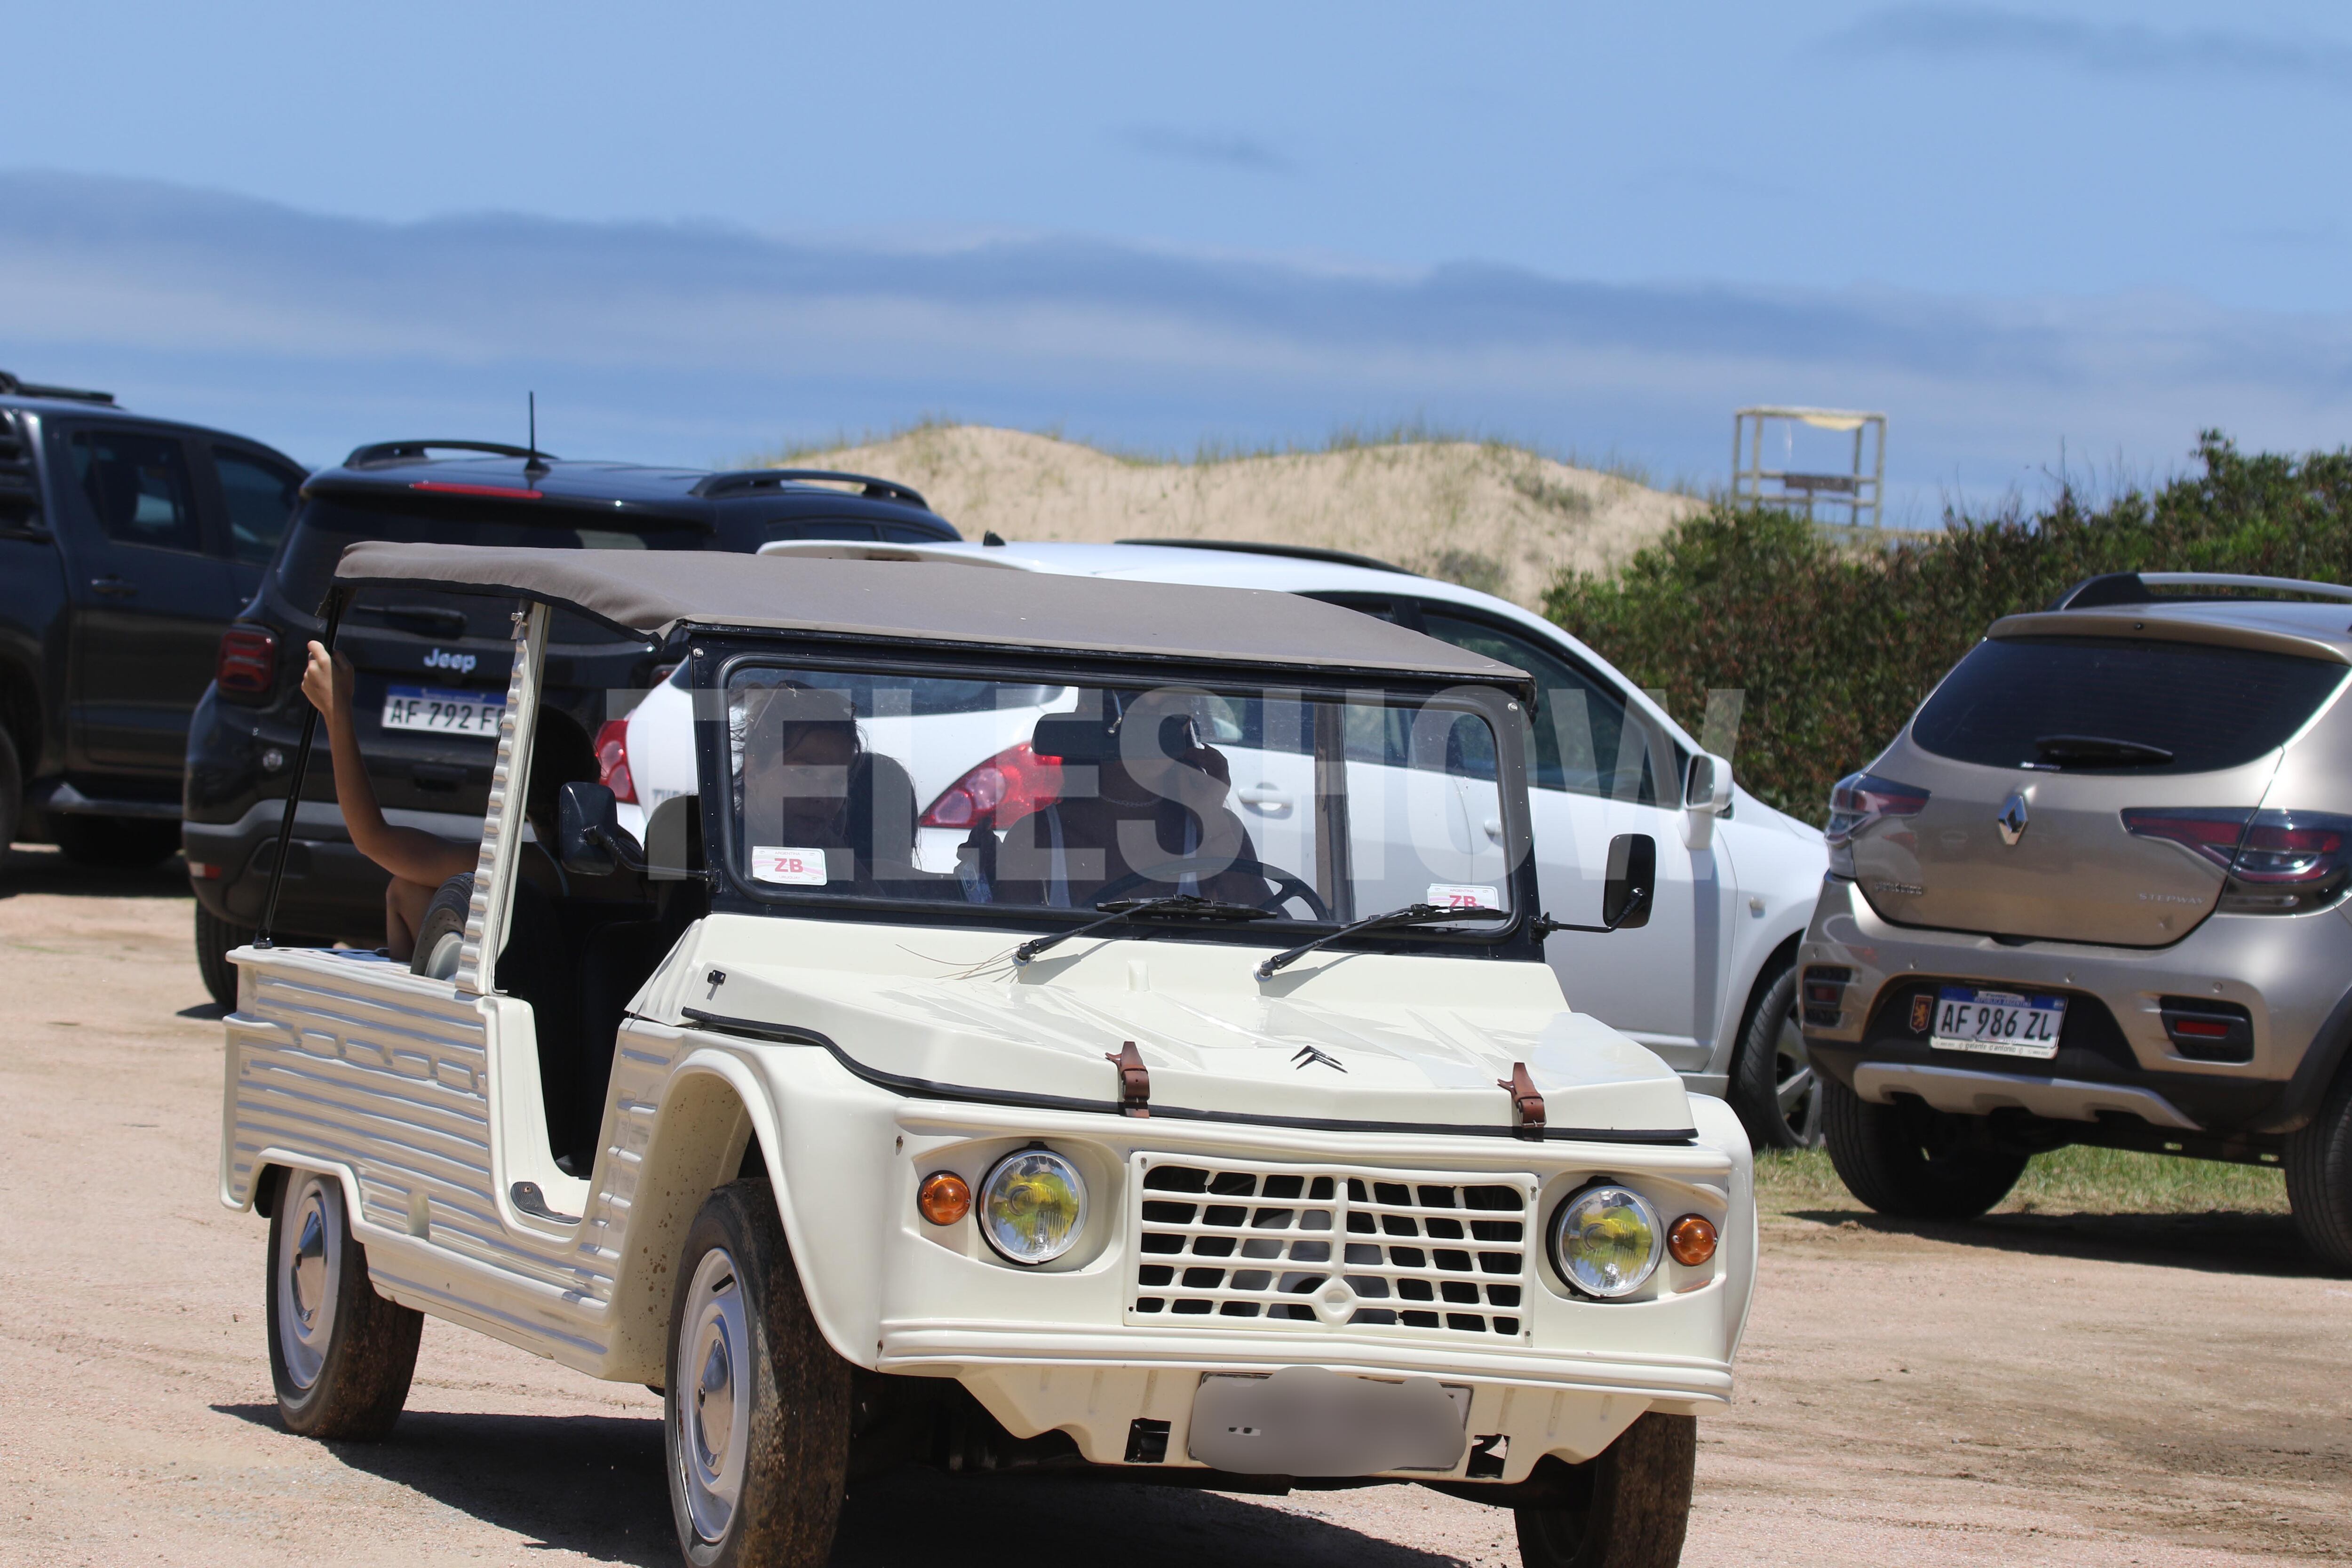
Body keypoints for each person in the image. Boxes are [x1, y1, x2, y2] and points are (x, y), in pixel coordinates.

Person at [300, 639, 596, 959]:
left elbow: (372, 838)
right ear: (593, 773)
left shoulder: (534, 867)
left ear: (514, 791)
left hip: (537, 987)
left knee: (406, 889)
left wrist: (336, 711)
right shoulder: (619, 852)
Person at [987, 688, 1270, 909]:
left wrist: (1210, 818)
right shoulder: (1037, 837)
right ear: (1092, 719)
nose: (1156, 730)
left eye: (1173, 712)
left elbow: (1273, 937)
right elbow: (1010, 949)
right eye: (1135, 710)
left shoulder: (1215, 827)